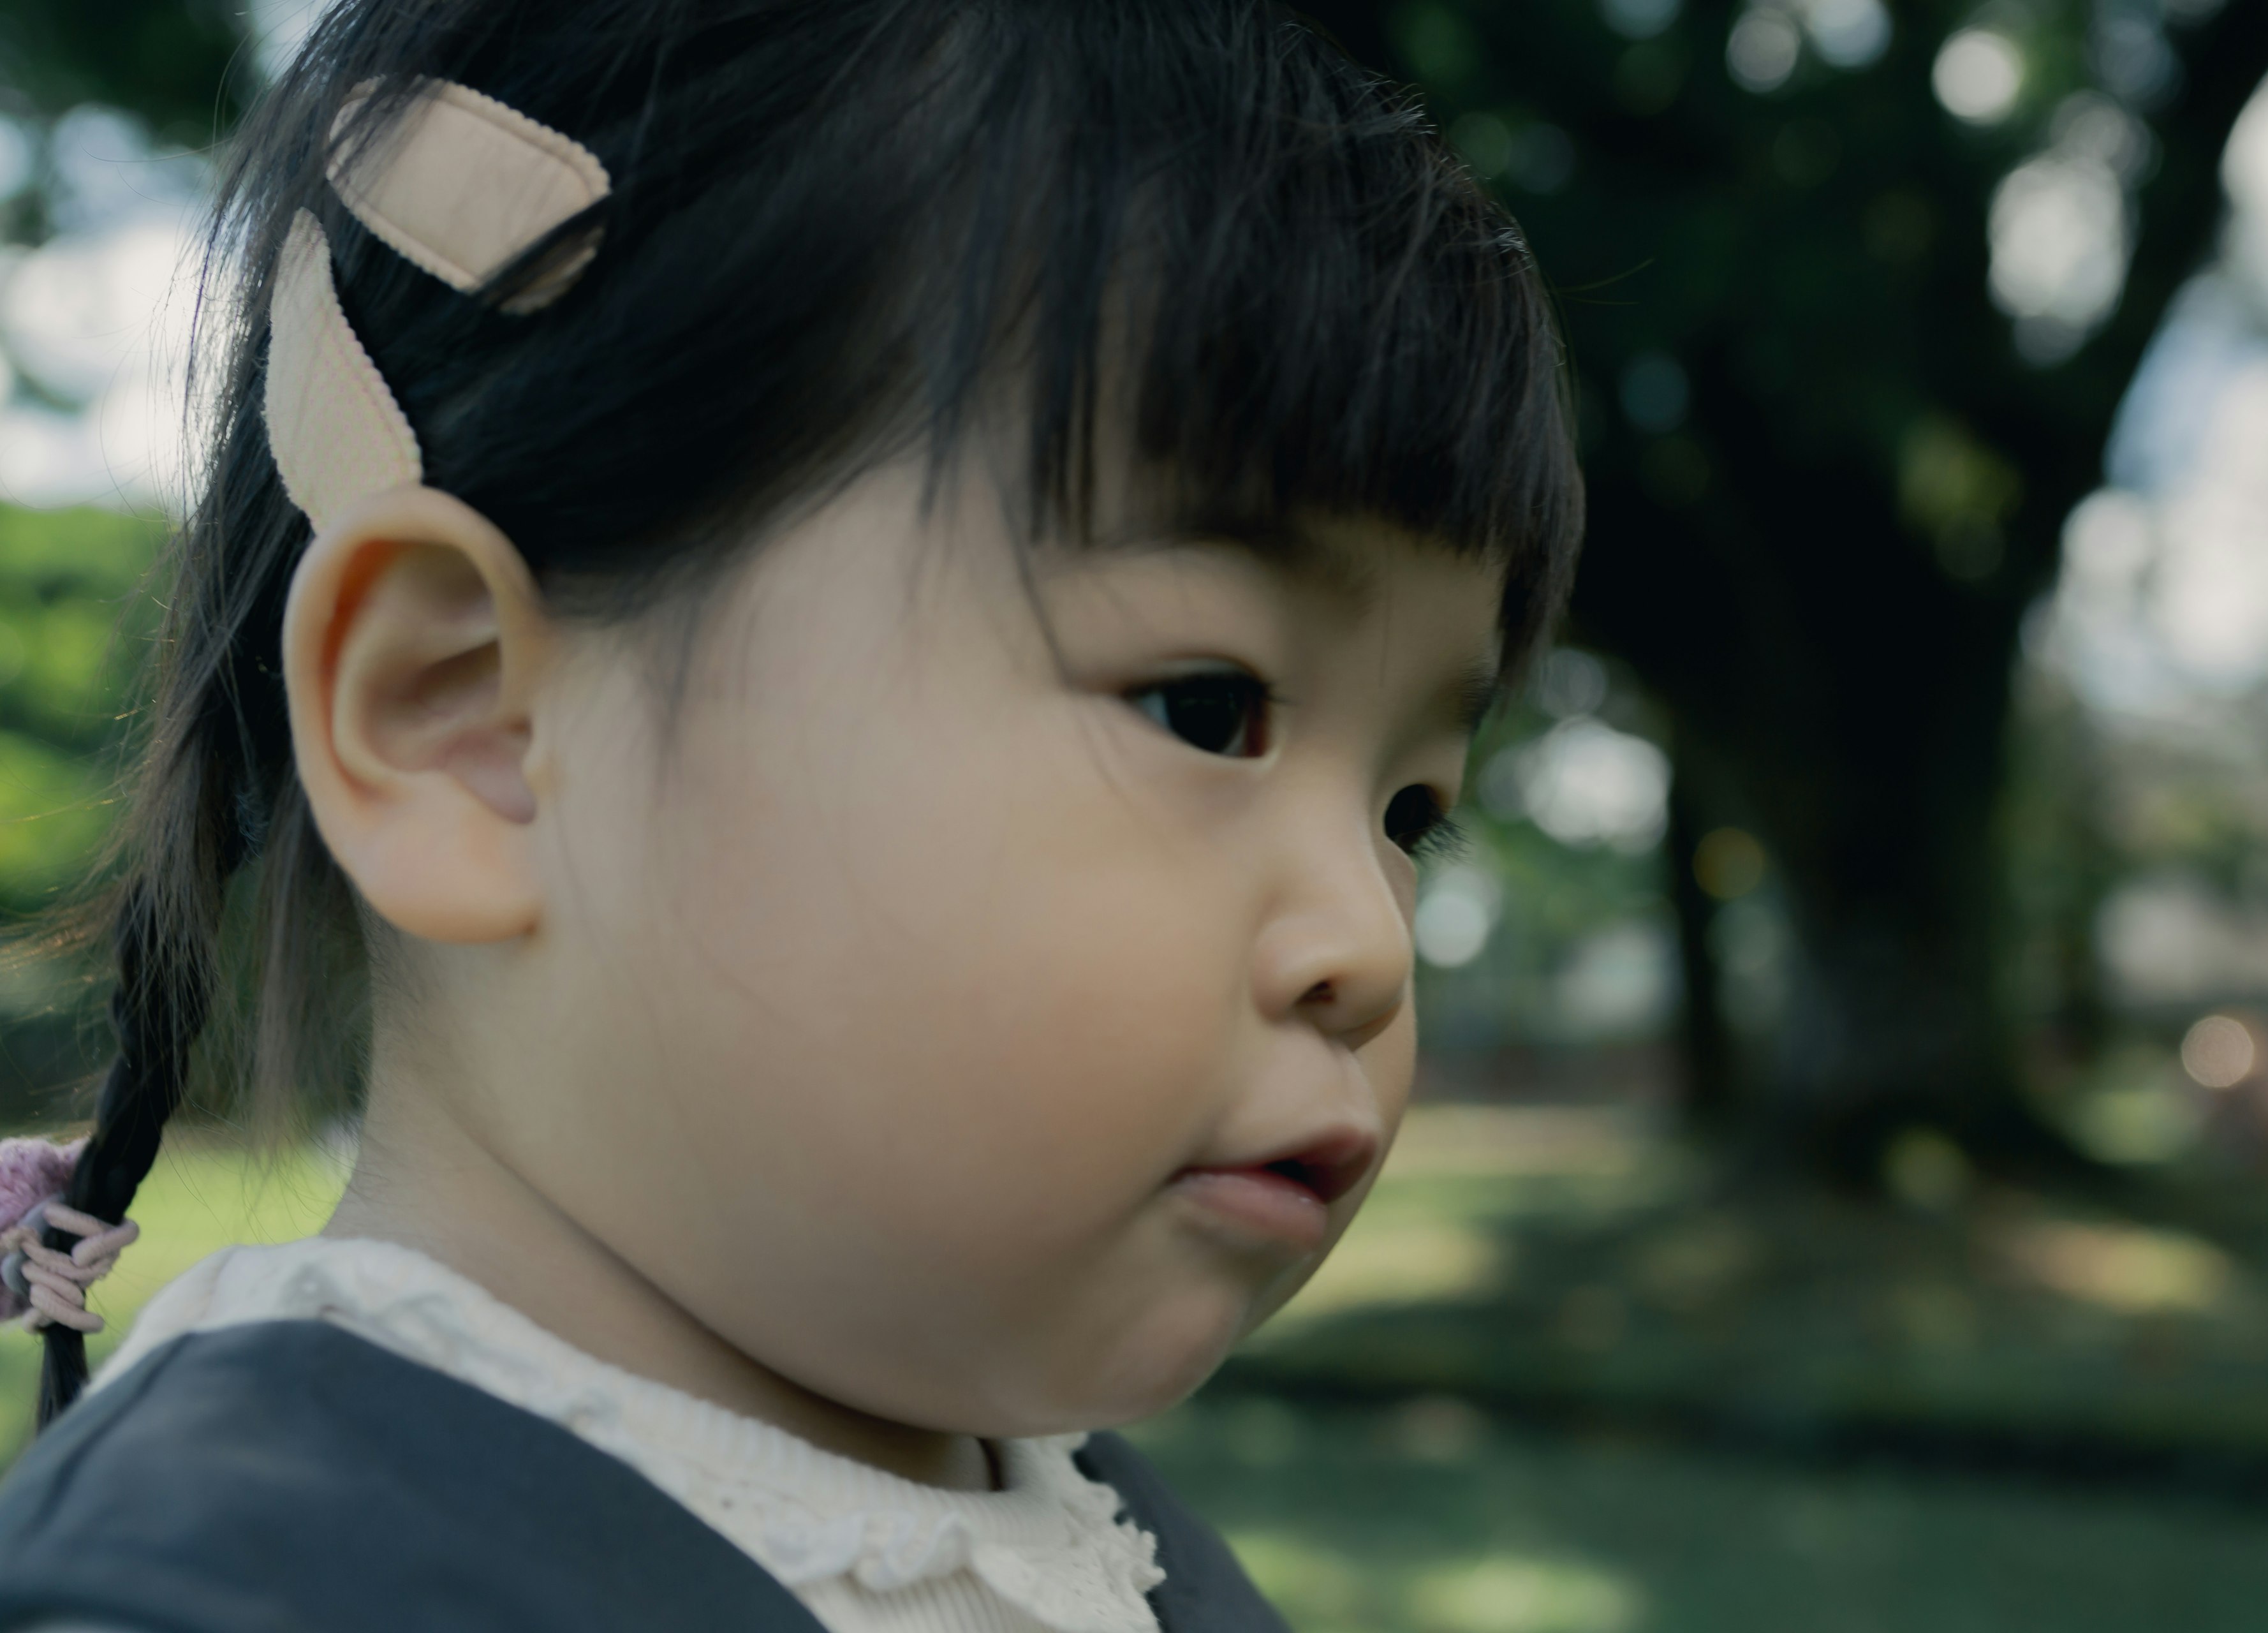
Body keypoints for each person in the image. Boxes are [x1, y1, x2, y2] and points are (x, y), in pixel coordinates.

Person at [0, 2, 1582, 1629]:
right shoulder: (253, 1579)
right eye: (1206, 707)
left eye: (1411, 809)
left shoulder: (1112, 1543)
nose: (1369, 941)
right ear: (465, 723)